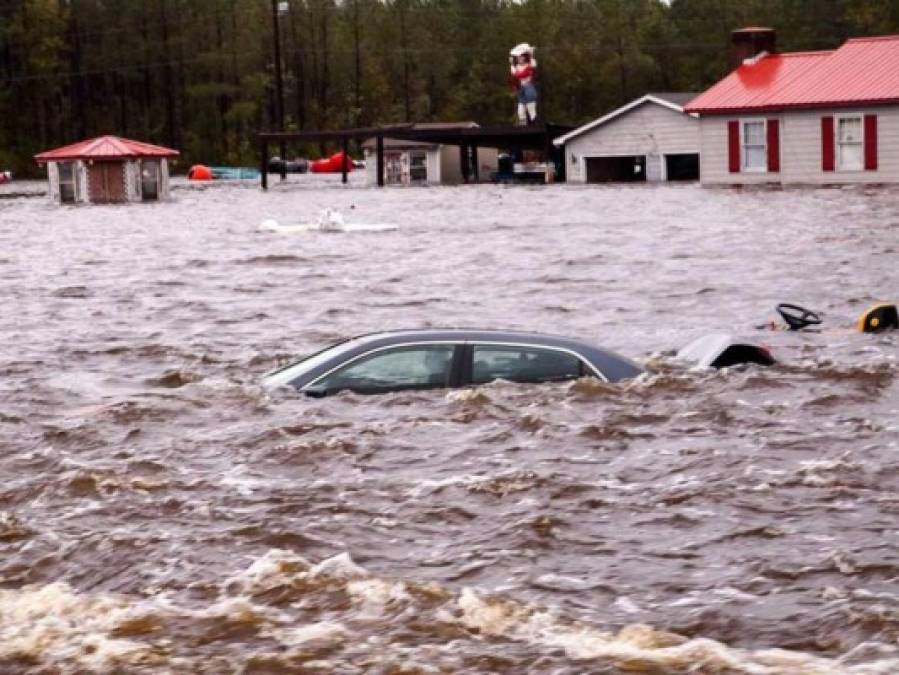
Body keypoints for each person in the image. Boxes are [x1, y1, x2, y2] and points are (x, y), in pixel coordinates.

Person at [510, 43, 537, 125]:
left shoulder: (529, 65)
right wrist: (511, 64)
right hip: (521, 88)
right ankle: (523, 125)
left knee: (531, 108)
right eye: (518, 58)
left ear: (524, 57)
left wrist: (531, 54)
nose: (519, 59)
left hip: (528, 87)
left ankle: (534, 123)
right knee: (521, 109)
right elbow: (514, 74)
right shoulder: (517, 67)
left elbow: (533, 64)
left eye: (520, 57)